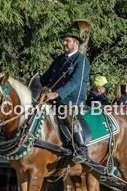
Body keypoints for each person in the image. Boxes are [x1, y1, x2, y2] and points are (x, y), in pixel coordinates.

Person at [39, 24, 92, 163]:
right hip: (53, 98)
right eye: (64, 40)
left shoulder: (82, 61)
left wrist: (57, 94)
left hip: (72, 100)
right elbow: (45, 78)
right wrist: (33, 84)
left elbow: (74, 82)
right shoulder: (59, 59)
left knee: (67, 113)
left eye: (67, 40)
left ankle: (81, 150)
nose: (64, 43)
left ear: (76, 43)